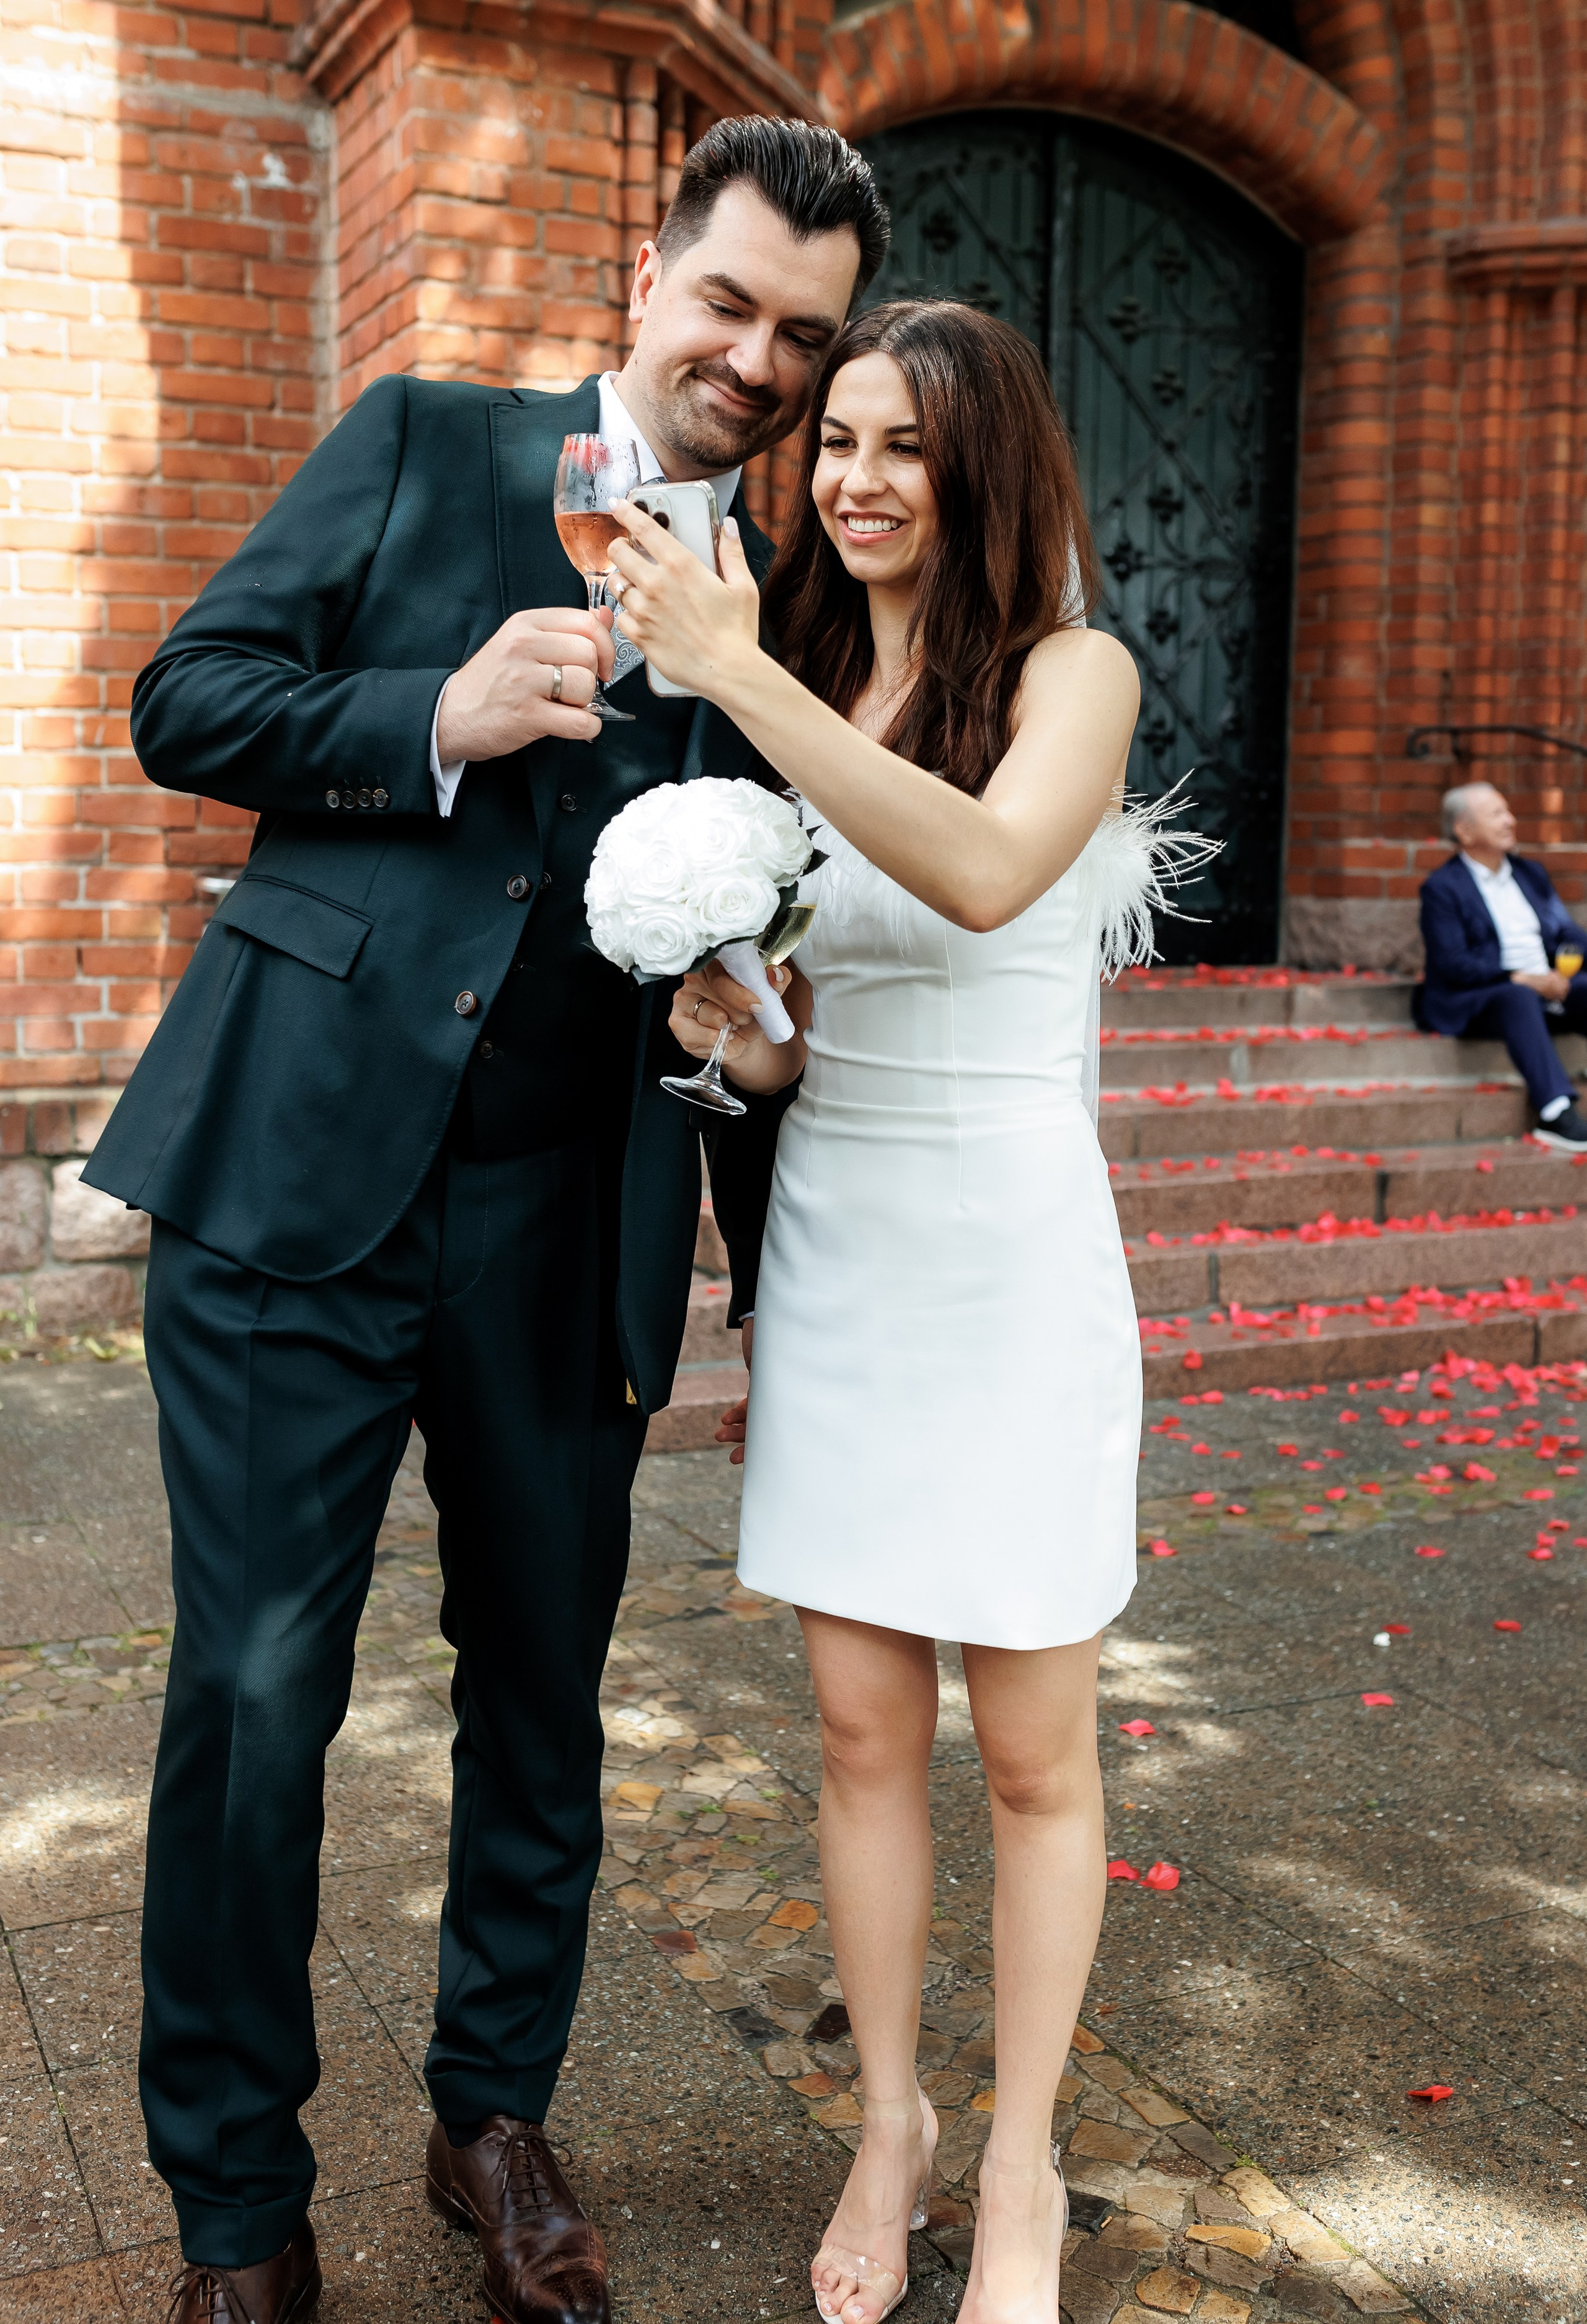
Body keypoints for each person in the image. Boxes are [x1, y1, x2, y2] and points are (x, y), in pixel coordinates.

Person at [81, 118, 888, 2324]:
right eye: (724, 302)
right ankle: (236, 2213)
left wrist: (752, 1078)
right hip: (293, 1181)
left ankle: (493, 2119)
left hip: (572, 1218)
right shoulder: (429, 443)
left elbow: (779, 950)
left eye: (798, 341)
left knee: (541, 1698)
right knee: (254, 1705)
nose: (751, 359)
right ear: (649, 273)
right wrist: (422, 718)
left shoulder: (803, 605)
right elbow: (183, 700)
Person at [606, 300, 1154, 2324]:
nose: (851, 479)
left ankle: (1019, 2163)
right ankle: (892, 2125)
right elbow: (806, 1032)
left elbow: (998, 873)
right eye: (833, 440)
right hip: (838, 1234)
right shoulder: (818, 672)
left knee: (1029, 1749)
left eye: (903, 445)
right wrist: (733, 1033)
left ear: (985, 464)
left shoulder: (1073, 675)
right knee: (857, 1729)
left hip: (1010, 1250)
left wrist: (739, 669)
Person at [1416, 781, 1587, 1153]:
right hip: (1482, 997)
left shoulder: (1531, 875)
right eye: (1496, 814)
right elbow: (1452, 963)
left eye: (1508, 812)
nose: (1510, 821)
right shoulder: (1442, 888)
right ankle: (1556, 1112)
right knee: (1518, 997)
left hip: (1548, 986)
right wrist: (1522, 978)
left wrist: (1563, 971)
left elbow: (1567, 933)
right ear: (1464, 831)